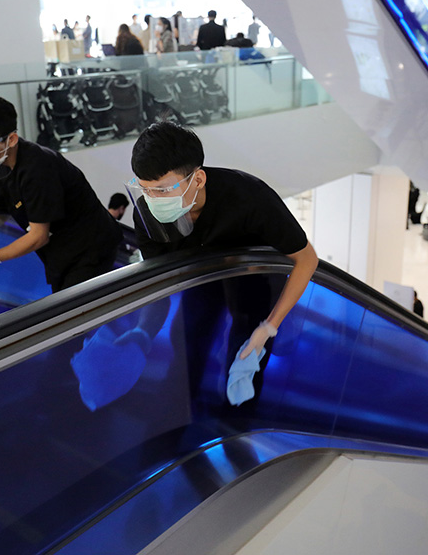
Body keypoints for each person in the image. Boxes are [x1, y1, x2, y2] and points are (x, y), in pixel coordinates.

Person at [125, 121, 318, 411]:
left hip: (253, 279)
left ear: (198, 179)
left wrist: (270, 327)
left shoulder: (250, 197)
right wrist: (142, 331)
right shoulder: (147, 213)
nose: (153, 200)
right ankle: (179, 416)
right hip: (199, 278)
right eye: (145, 189)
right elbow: (158, 281)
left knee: (245, 354)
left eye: (163, 190)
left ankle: (238, 422)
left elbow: (306, 259)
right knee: (188, 342)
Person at [0, 95, 120, 294]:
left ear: (11, 139)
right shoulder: (1, 160)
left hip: (89, 249)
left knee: (73, 310)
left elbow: (38, 236)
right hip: (60, 251)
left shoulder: (38, 168)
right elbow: (5, 208)